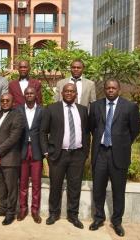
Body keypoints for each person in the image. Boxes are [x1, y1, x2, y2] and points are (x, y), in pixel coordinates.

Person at [88, 79, 140, 237]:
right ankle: (98, 218)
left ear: (119, 89)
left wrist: (121, 143)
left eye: (113, 88)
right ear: (104, 89)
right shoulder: (96, 105)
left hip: (119, 154)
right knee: (98, 189)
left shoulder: (130, 107)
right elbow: (92, 127)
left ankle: (117, 222)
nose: (110, 90)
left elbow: (135, 130)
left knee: (119, 190)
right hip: (100, 153)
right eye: (108, 88)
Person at [40, 83, 90, 229]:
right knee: (55, 185)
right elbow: (43, 132)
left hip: (77, 155)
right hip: (57, 154)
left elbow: (86, 132)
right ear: (62, 93)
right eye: (66, 91)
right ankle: (53, 213)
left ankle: (73, 215)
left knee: (75, 187)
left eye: (72, 91)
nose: (69, 93)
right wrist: (46, 151)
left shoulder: (82, 110)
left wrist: (86, 151)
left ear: (76, 94)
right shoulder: (51, 109)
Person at [0, 93, 25, 225]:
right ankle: (3, 209)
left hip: (10, 158)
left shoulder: (17, 115)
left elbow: (13, 138)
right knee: (1, 186)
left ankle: (10, 213)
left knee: (11, 188)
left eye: (7, 100)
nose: (4, 102)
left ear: (13, 102)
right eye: (2, 100)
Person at [16, 87, 44, 223]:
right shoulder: (18, 110)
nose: (29, 95)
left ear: (36, 95)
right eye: (27, 93)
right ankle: (22, 209)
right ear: (24, 95)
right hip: (22, 150)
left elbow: (44, 132)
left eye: (32, 93)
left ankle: (35, 210)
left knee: (37, 183)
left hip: (37, 150)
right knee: (22, 183)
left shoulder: (42, 111)